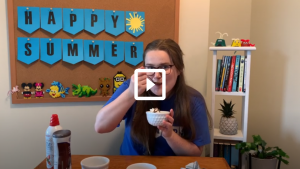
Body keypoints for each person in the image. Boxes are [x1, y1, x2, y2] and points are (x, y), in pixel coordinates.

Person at [95, 39, 211, 156]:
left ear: (179, 69)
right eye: (150, 68)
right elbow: (100, 126)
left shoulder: (193, 99)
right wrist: (131, 93)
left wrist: (170, 136)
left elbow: (195, 153)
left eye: (165, 67)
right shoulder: (132, 86)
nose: (156, 76)